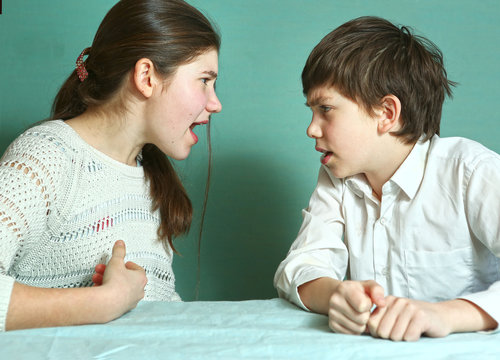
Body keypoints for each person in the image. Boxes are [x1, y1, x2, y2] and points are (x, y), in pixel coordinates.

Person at [274, 16, 500, 342]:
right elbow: (301, 265)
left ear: (386, 114)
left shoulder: (471, 172)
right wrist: (337, 295)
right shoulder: (337, 178)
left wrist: (444, 314)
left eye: (325, 108)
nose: (311, 128)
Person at [0, 0, 221, 331]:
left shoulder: (151, 175)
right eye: (204, 80)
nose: (215, 103)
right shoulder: (43, 160)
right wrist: (105, 302)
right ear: (146, 76)